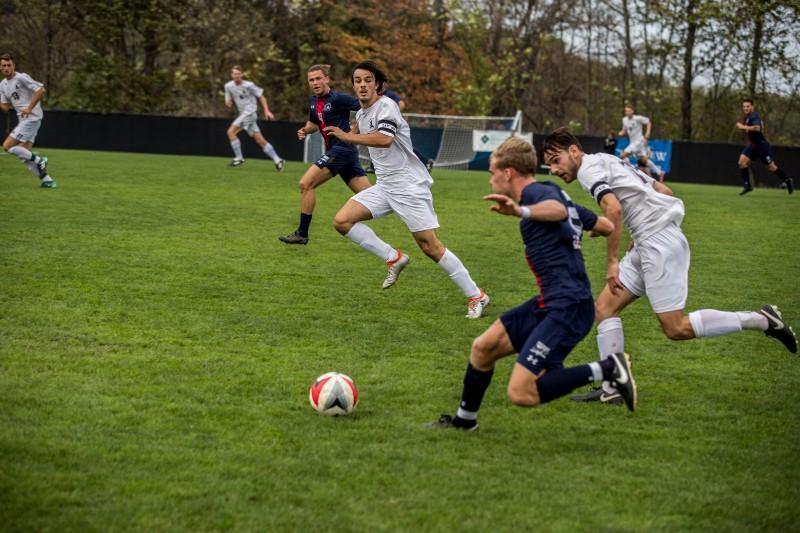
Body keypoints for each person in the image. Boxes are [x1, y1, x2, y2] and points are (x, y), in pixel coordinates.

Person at [540, 127, 797, 406]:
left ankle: (763, 319)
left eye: (556, 160)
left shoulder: (589, 171)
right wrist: (641, 232)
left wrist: (613, 261)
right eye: (549, 163)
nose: (553, 169)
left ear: (574, 151)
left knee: (676, 328)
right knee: (605, 308)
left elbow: (613, 210)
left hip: (657, 244)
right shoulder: (605, 159)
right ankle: (613, 387)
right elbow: (663, 189)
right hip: (648, 241)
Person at [428, 136, 635, 431]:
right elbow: (605, 225)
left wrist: (521, 212)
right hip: (551, 302)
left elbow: (559, 212)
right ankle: (465, 421)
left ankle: (609, 369)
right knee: (484, 347)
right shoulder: (556, 194)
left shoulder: (539, 194)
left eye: (492, 173)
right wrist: (585, 229)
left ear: (508, 173)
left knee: (521, 392)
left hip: (568, 306)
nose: (490, 180)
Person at [326, 61, 489, 318]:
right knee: (342, 221)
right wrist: (343, 130)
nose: (362, 85)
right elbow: (362, 132)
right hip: (386, 186)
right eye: (357, 81)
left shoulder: (387, 106)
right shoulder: (361, 113)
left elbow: (384, 139)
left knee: (430, 247)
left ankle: (476, 295)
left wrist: (348, 137)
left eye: (368, 80)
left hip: (409, 186)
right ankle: (393, 257)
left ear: (378, 84)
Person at [278, 64, 371, 245]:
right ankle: (404, 204)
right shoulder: (313, 101)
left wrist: (356, 128)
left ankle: (302, 233)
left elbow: (365, 107)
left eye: (318, 78)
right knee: (371, 195)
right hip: (345, 153)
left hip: (342, 149)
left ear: (327, 79)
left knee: (306, 184)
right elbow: (315, 122)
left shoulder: (338, 99)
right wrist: (305, 130)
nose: (315, 83)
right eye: (311, 80)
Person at [0, 54, 56, 188]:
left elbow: (41, 90)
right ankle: (48, 180)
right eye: (4, 66)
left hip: (32, 117)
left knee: (7, 146)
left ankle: (39, 160)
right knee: (24, 154)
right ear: (0, 68)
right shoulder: (2, 84)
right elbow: (5, 108)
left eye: (9, 65)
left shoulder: (21, 77)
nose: (6, 68)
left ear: (14, 66)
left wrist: (29, 108)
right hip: (24, 119)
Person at [223, 65, 284, 170]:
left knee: (231, 132)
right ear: (231, 75)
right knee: (259, 140)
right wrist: (228, 102)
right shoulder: (228, 86)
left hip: (250, 112)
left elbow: (261, 96)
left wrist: (267, 111)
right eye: (234, 74)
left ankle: (239, 158)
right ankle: (278, 160)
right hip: (244, 114)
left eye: (238, 74)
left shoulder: (249, 85)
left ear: (241, 74)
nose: (236, 76)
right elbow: (227, 99)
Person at [365, 88, 434, 173]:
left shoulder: (389, 94)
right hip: (380, 123)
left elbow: (401, 104)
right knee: (377, 143)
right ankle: (374, 167)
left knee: (402, 146)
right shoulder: (374, 96)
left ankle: (425, 162)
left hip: (389, 124)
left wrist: (392, 116)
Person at [736, 98, 793, 195]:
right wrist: (752, 127)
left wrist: (743, 127)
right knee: (741, 162)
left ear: (752, 107)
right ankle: (748, 186)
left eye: (748, 106)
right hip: (753, 146)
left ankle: (787, 180)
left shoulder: (754, 115)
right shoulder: (748, 117)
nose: (746, 108)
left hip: (762, 146)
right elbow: (760, 125)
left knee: (771, 167)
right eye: (744, 106)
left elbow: (757, 128)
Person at [618, 105, 666, 181]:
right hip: (632, 142)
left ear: (632, 111)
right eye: (626, 111)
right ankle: (660, 172)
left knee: (623, 156)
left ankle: (632, 173)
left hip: (639, 142)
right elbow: (624, 129)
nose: (627, 112)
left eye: (629, 111)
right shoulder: (624, 120)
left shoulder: (638, 118)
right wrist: (621, 132)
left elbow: (648, 122)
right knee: (644, 160)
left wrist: (647, 132)